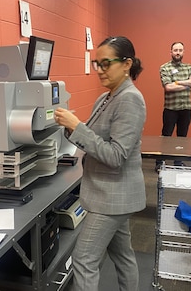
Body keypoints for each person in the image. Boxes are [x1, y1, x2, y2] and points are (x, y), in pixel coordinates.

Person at [54, 36, 146, 291]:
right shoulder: (106, 98)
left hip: (114, 196)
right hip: (106, 192)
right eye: (97, 64)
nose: (100, 70)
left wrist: (78, 127)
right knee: (123, 256)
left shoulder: (130, 99)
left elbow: (116, 156)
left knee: (83, 260)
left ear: (126, 64)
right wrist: (70, 127)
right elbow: (91, 139)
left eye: (107, 63)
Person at [155, 41, 191, 172]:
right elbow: (168, 87)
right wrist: (188, 84)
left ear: (183, 52)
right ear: (171, 52)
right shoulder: (165, 67)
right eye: (175, 50)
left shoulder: (189, 67)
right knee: (166, 136)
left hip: (186, 108)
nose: (178, 52)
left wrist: (178, 82)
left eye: (180, 50)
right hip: (170, 108)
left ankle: (178, 162)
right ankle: (160, 162)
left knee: (182, 137)